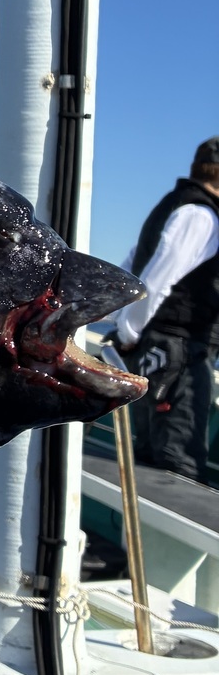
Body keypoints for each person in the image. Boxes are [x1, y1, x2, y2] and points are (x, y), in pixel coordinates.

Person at [114, 138, 219, 483]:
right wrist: (130, 332)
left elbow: (131, 267)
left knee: (150, 454)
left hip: (154, 350)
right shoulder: (201, 216)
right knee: (178, 463)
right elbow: (157, 279)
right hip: (177, 353)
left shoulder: (171, 206)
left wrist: (126, 328)